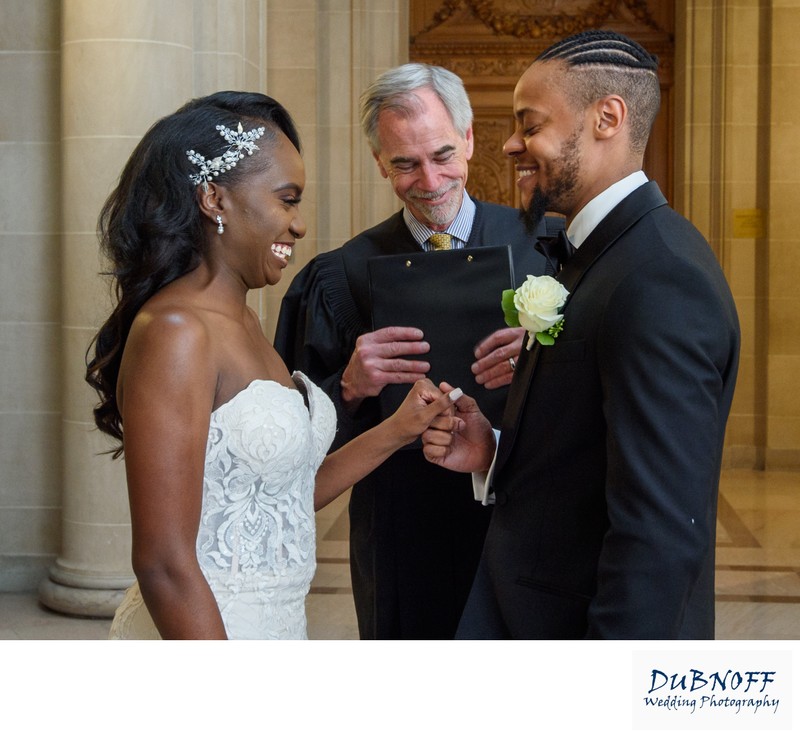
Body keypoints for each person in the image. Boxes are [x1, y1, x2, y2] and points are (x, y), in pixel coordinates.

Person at [84, 91, 459, 640]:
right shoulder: (176, 332)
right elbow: (164, 563)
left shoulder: (247, 325)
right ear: (214, 198)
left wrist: (398, 430)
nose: (299, 226)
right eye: (287, 200)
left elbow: (282, 499)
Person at [422, 30, 741, 639]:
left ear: (607, 118)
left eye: (530, 124)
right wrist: (495, 451)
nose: (511, 144)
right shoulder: (602, 256)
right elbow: (588, 455)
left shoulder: (660, 275)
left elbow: (659, 530)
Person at [274, 63, 561, 639]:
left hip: (524, 520)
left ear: (470, 139)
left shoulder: (548, 246)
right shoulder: (341, 277)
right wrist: (349, 387)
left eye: (442, 155)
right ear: (380, 163)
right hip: (401, 533)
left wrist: (543, 363)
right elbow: (287, 442)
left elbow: (602, 394)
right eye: (405, 164)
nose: (429, 180)